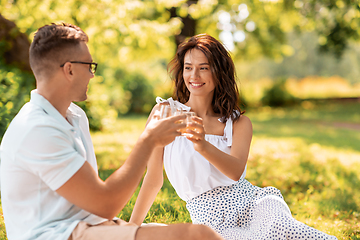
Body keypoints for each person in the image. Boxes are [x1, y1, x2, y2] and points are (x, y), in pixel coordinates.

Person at [0, 23, 224, 240]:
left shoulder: (75, 116)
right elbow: (105, 204)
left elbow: (94, 202)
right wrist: (149, 141)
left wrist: (129, 227)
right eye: (89, 66)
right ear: (69, 69)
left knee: (166, 229)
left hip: (89, 226)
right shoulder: (36, 129)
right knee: (198, 236)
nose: (92, 75)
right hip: (58, 234)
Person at [129, 34, 338, 240]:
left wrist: (202, 145)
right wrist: (131, 227)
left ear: (219, 72)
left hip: (253, 204)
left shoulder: (238, 123)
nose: (194, 76)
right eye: (188, 67)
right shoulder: (164, 113)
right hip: (209, 220)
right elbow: (153, 179)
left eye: (204, 68)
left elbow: (236, 172)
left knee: (281, 230)